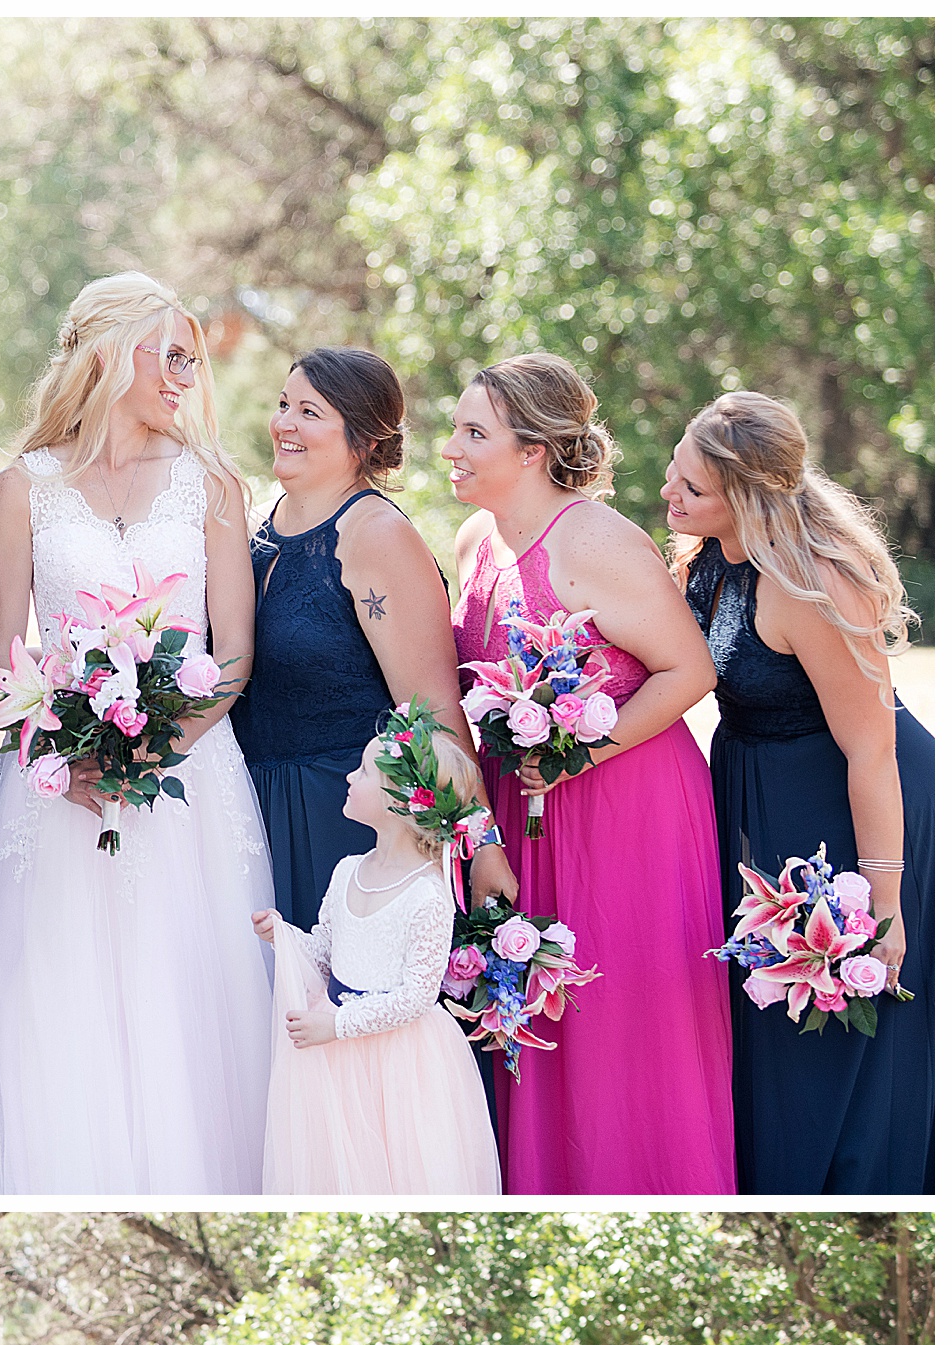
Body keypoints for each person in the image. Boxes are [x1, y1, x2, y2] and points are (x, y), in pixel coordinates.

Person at [0, 271, 275, 1195]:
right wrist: (59, 753)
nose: (182, 374)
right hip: (57, 791)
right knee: (60, 1007)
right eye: (165, 352)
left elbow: (237, 653)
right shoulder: (26, 487)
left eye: (189, 358)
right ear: (106, 353)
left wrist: (160, 746)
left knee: (191, 1006)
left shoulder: (212, 484)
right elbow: (2, 660)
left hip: (190, 790)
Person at [448, 353, 734, 1195]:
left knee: (621, 1026)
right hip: (518, 810)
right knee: (538, 1018)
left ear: (533, 449)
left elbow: (689, 672)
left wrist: (576, 754)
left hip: (624, 807)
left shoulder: (595, 540)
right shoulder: (474, 540)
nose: (450, 450)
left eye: (474, 433)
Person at [665, 391, 934, 1193]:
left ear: (746, 498)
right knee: (765, 1014)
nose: (670, 496)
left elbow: (873, 746)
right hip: (758, 790)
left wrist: (882, 901)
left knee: (841, 1023)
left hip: (854, 800)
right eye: (675, 475)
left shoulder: (813, 585)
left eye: (693, 489)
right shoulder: (706, 553)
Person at [232, 346, 515, 928]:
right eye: (285, 405)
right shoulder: (256, 524)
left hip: (342, 816)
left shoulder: (377, 537)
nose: (285, 423)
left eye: (310, 413)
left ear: (362, 439)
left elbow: (433, 708)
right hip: (243, 808)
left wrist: (482, 843)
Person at [255, 726, 501, 1194]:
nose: (349, 777)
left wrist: (339, 1026)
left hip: (399, 1058)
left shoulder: (428, 894)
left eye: (364, 770)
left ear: (403, 801)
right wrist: (282, 937)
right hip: (337, 1052)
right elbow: (326, 952)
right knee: (344, 1166)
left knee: (398, 1166)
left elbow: (418, 996)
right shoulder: (349, 870)